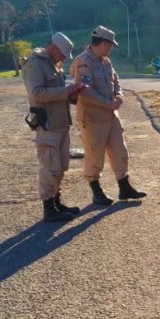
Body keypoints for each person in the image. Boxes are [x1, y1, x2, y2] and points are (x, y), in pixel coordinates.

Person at [70, 25, 146, 205]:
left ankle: (124, 187)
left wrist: (119, 96)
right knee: (94, 155)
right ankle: (97, 191)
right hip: (92, 118)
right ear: (103, 43)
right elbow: (85, 91)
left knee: (120, 151)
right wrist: (108, 103)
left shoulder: (105, 61)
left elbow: (115, 80)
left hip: (111, 115)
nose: (111, 48)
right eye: (110, 45)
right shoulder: (83, 62)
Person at [22, 32, 86, 223]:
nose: (64, 59)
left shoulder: (54, 65)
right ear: (54, 48)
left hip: (60, 123)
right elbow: (37, 93)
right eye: (63, 54)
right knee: (49, 167)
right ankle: (49, 208)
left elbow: (58, 94)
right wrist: (66, 91)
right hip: (47, 125)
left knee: (61, 166)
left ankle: (57, 202)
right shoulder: (34, 63)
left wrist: (73, 93)